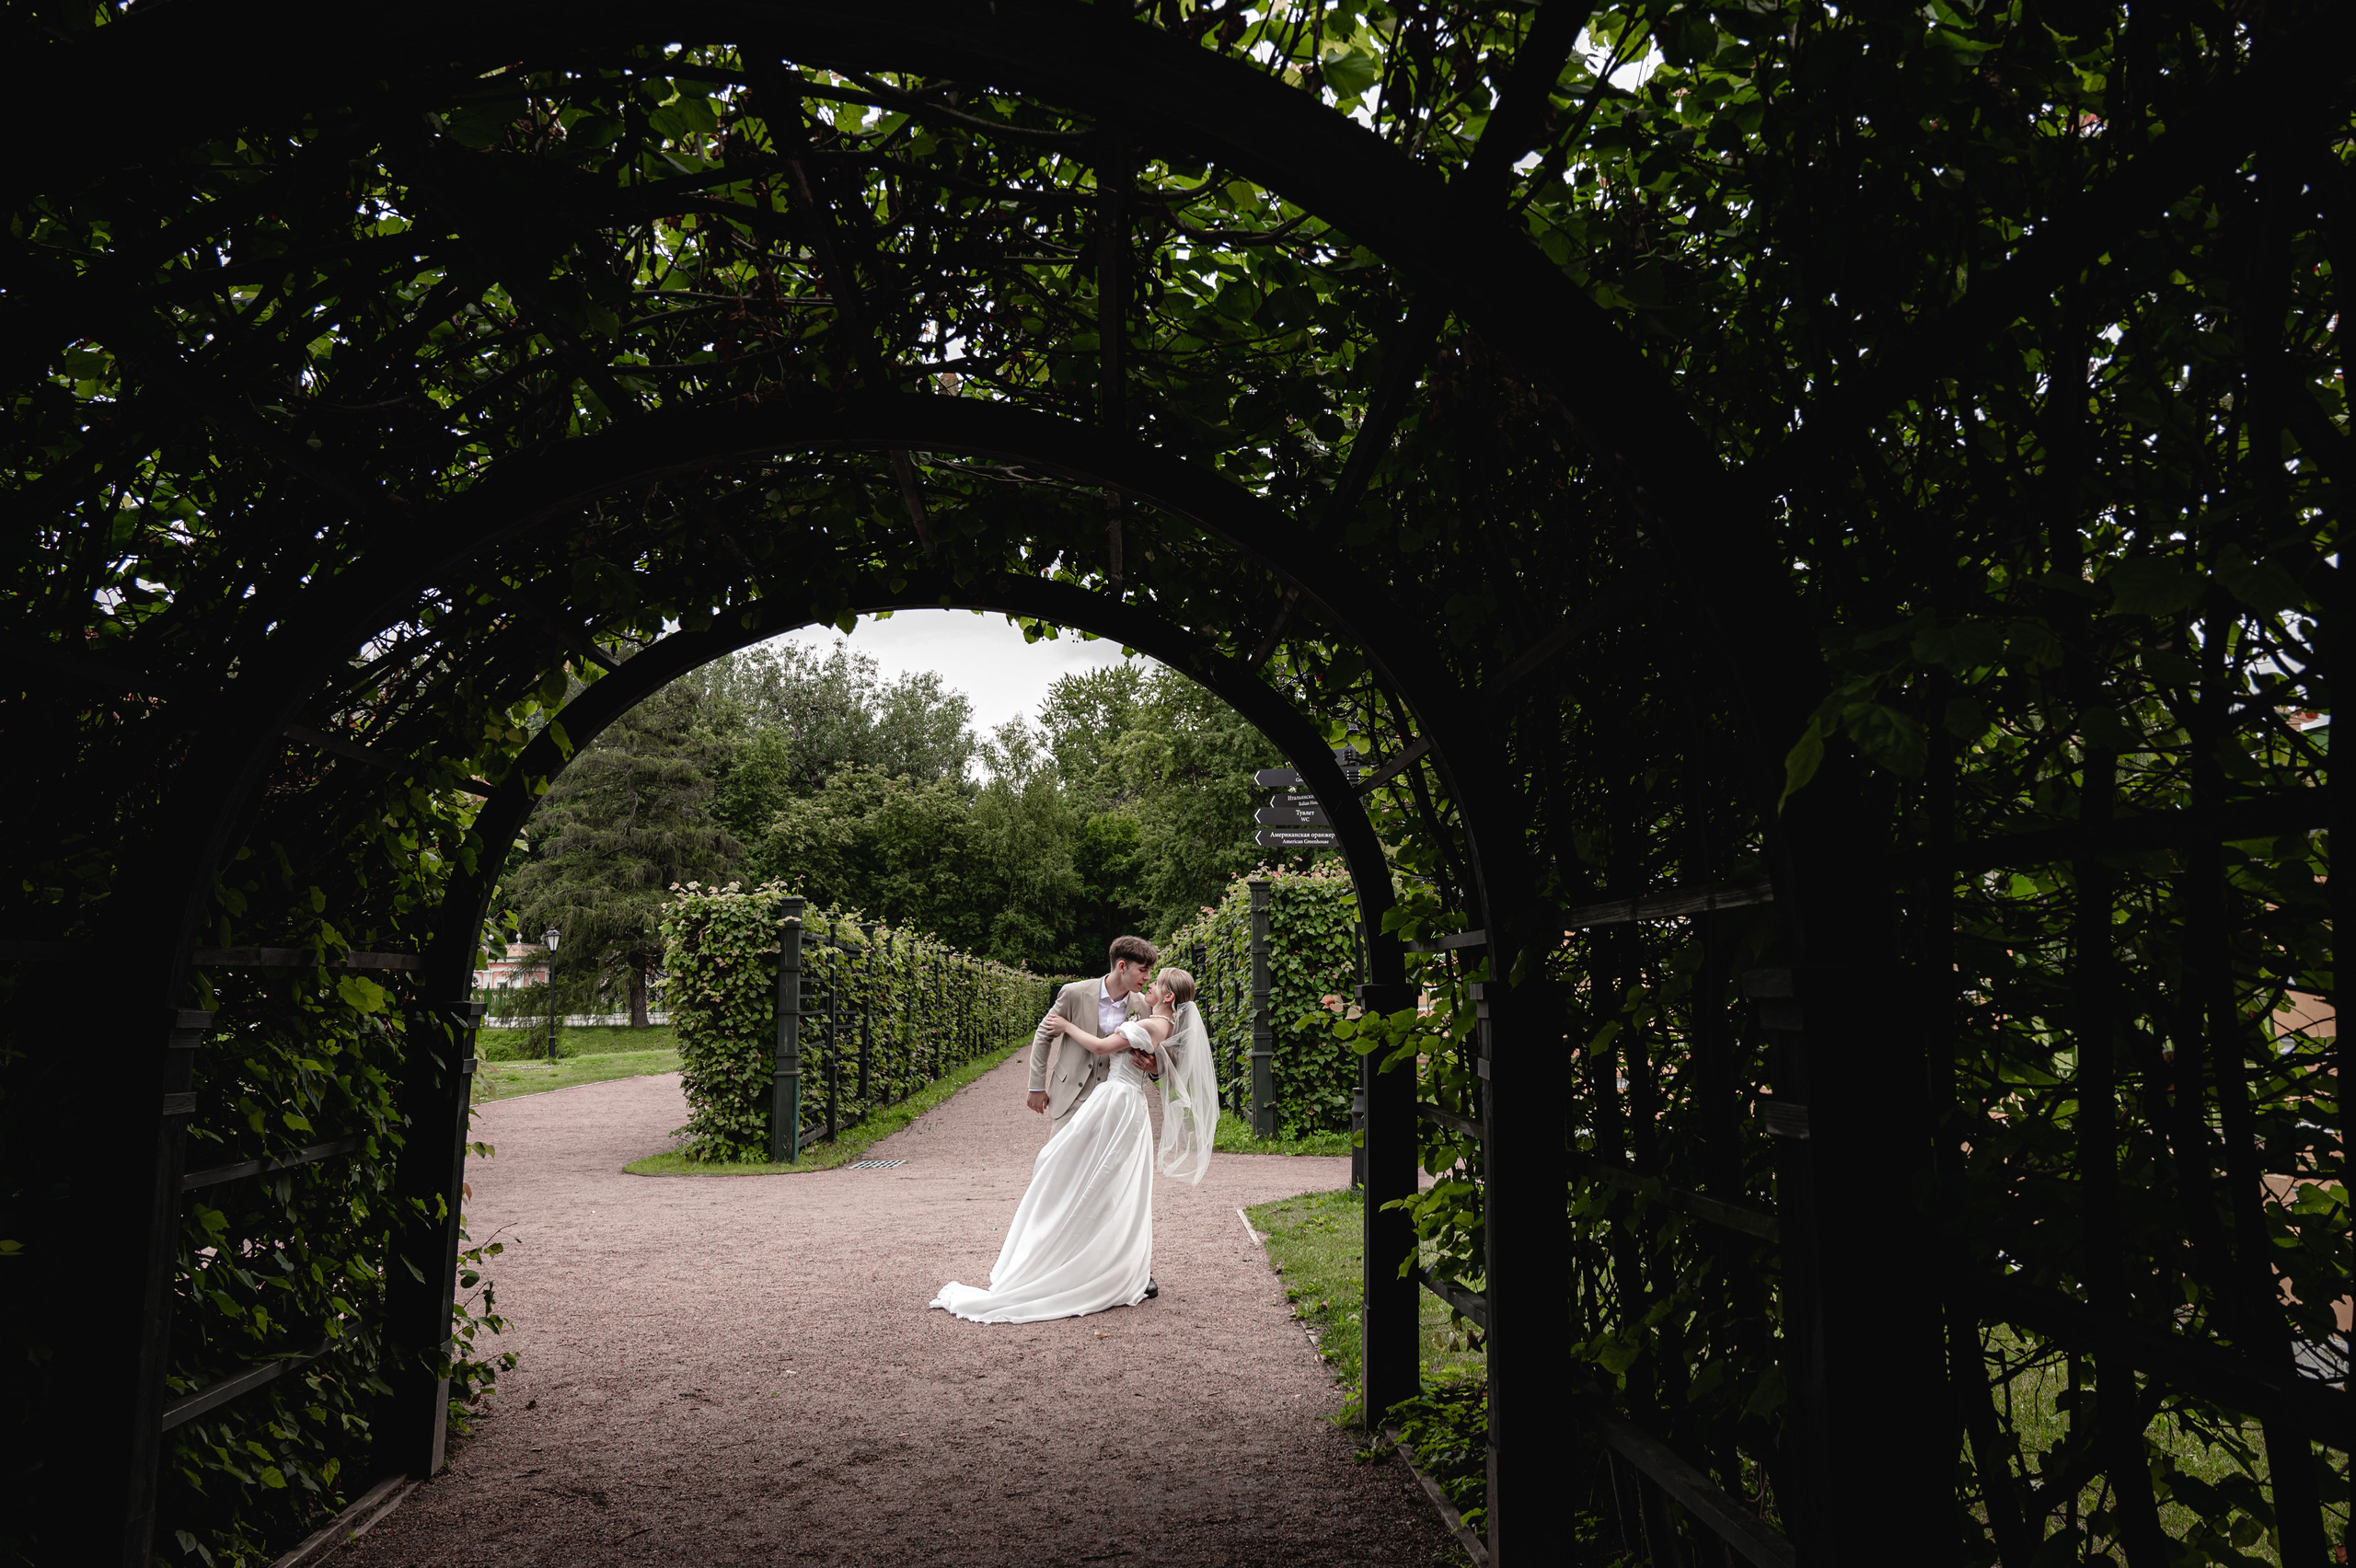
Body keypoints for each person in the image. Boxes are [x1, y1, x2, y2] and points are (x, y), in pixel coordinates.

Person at [929, 967, 1218, 1323]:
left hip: (1115, 1102)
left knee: (1093, 1176)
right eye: (1146, 974)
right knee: (1085, 1173)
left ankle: (1083, 1261)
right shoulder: (1155, 1019)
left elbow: (1103, 1047)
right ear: (1121, 965)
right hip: (1114, 1102)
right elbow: (1165, 1059)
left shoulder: (1148, 1018)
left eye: (1155, 981)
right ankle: (1089, 1257)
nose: (1149, 984)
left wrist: (1067, 1027)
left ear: (1168, 995)